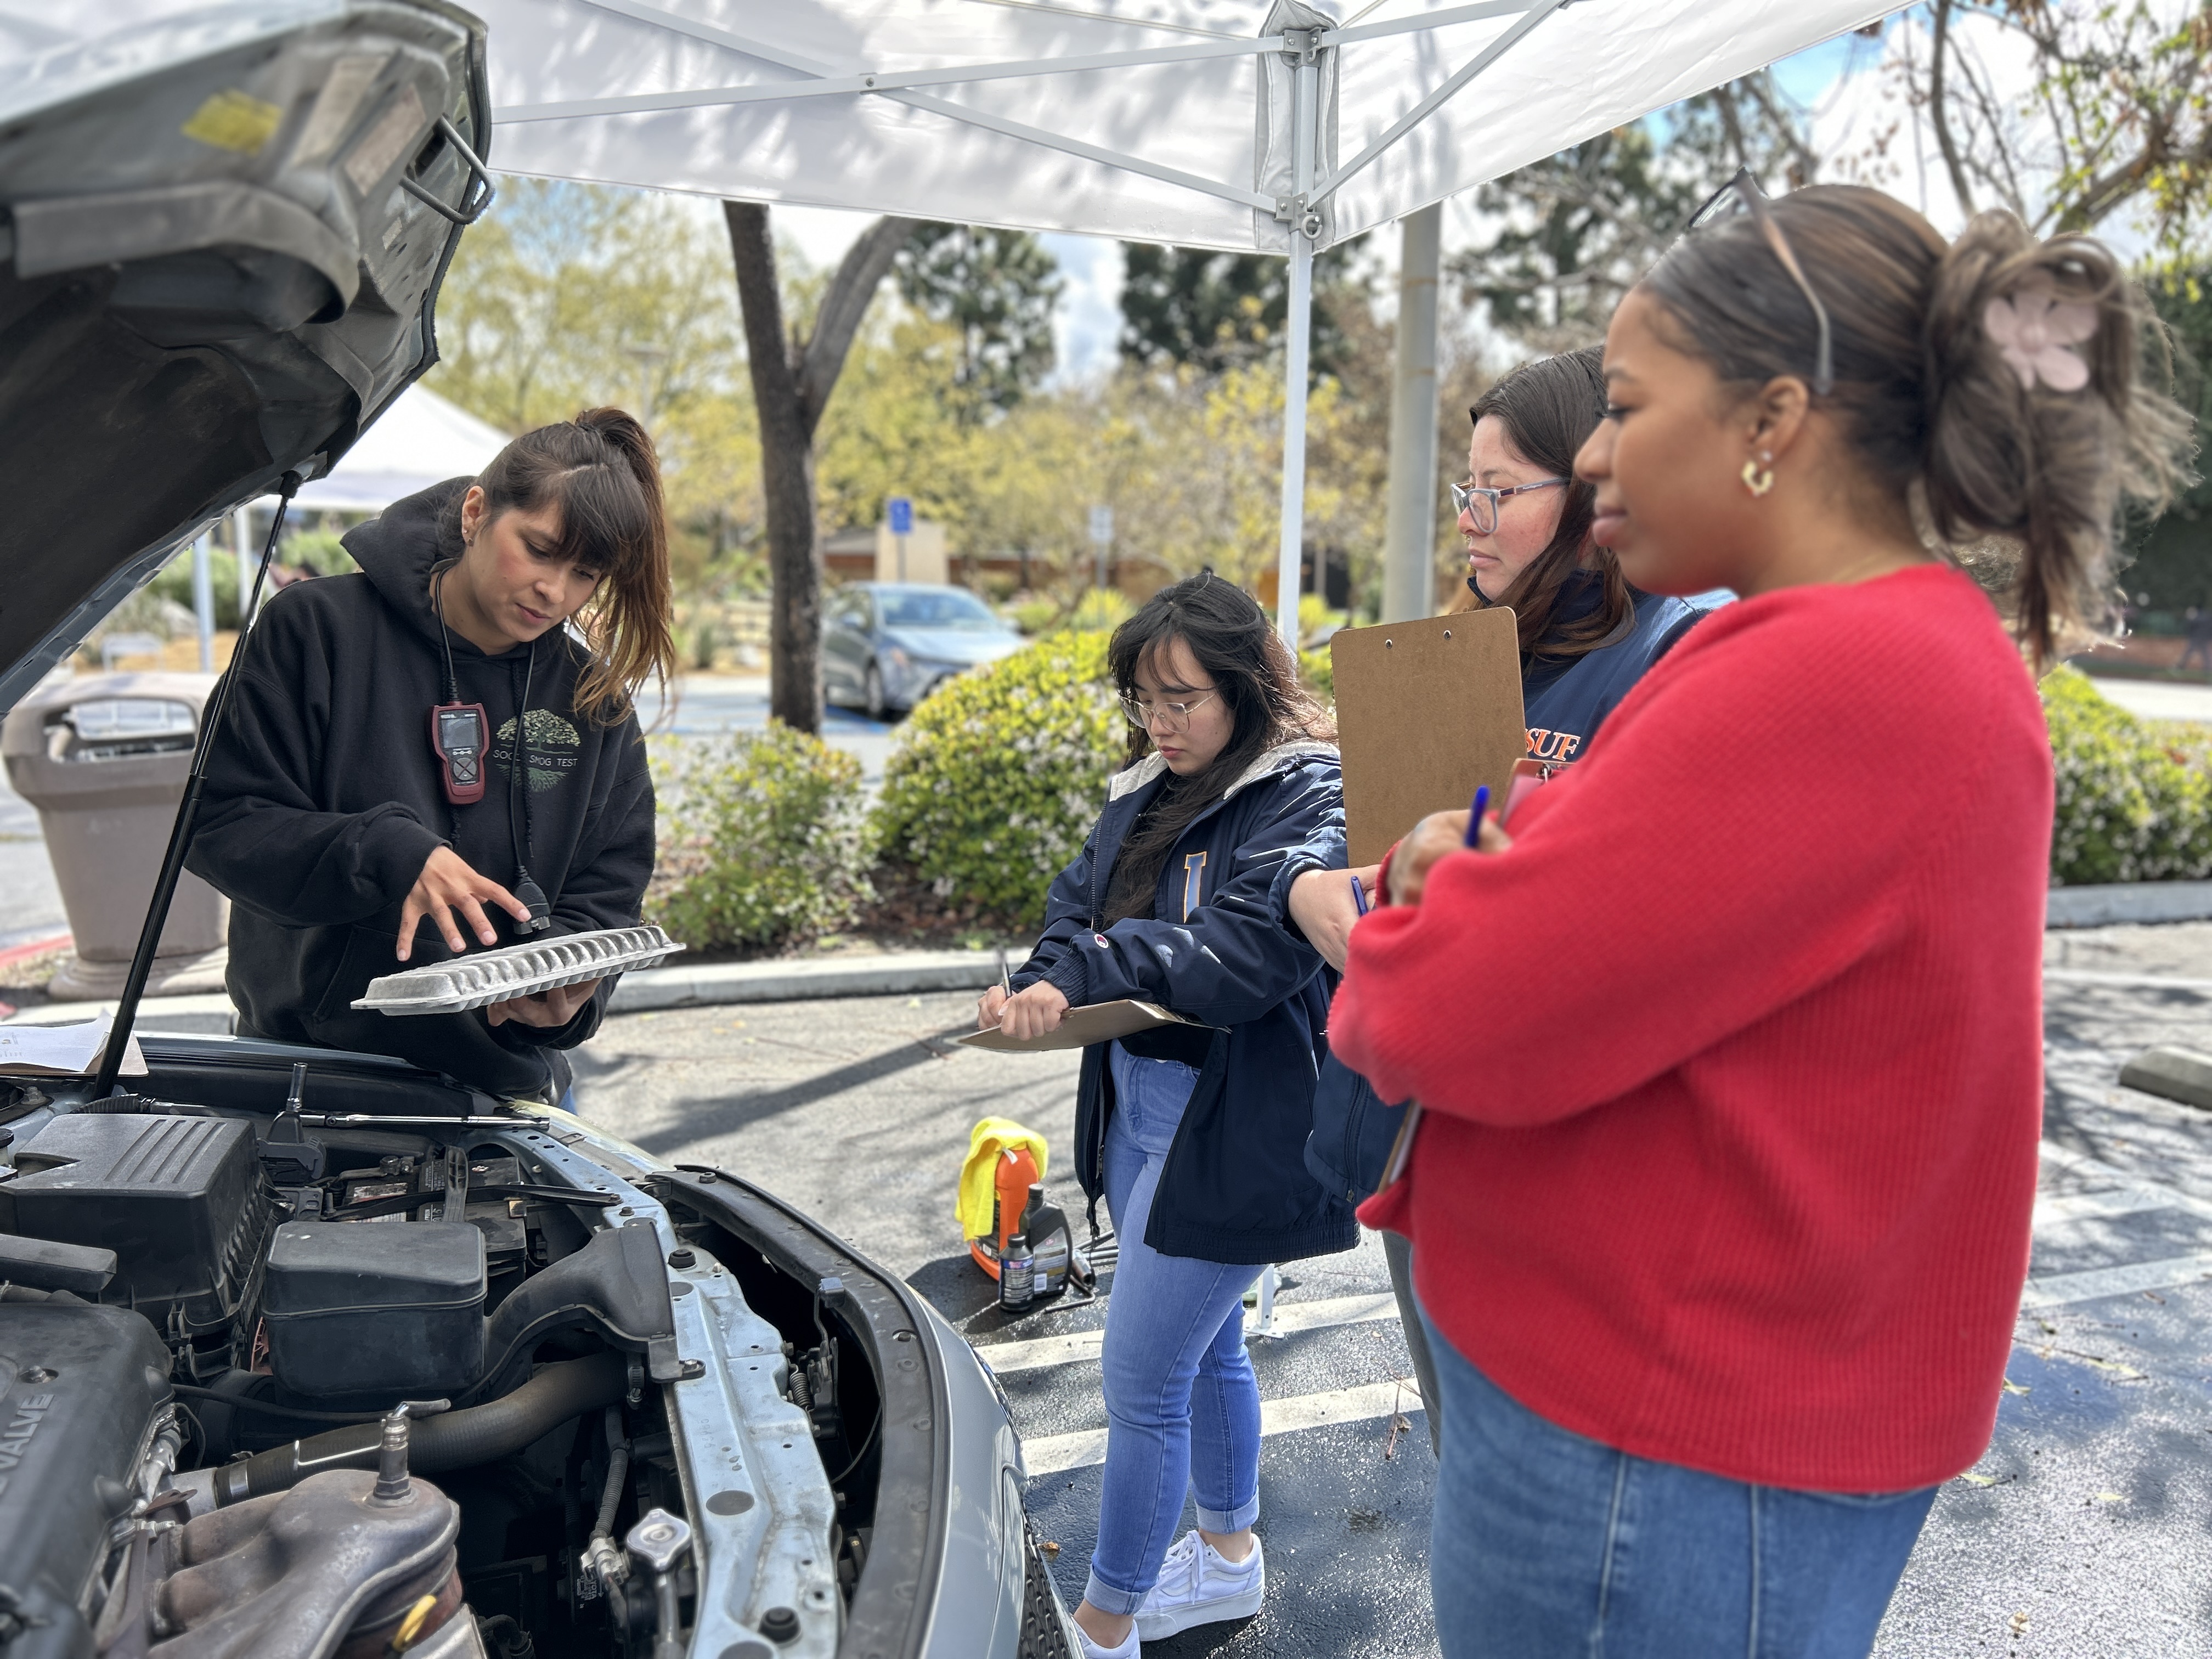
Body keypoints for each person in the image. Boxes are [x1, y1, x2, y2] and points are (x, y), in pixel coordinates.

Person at [1329, 180, 2191, 1655]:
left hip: (1652, 1460)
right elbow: (1613, 875)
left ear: (1770, 421)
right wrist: (1493, 862)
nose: (1594, 452)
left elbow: (1439, 1015)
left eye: (1624, 401)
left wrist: (1425, 900)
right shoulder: (1870, 651)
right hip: (1678, 1436)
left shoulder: (1843, 675)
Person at [1284, 346, 1718, 1454]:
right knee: (1458, 1446)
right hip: (1414, 1126)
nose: (1471, 520)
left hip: (1550, 1175)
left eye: (1500, 492)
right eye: (1464, 492)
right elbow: (1371, 850)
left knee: (1531, 1470)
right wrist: (1312, 894)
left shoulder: (1677, 652)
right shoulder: (1459, 647)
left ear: (1592, 493)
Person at [977, 573, 1351, 1659]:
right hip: (1143, 1104)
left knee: (1141, 1382)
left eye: (1183, 698)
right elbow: (1074, 905)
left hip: (1232, 1126)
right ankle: (1230, 1564)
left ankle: (1105, 1625)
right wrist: (1049, 974)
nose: (1160, 721)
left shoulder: (1309, 794)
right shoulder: (1147, 790)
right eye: (1144, 698)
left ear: (1245, 689)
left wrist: (1092, 961)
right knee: (1208, 1348)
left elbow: (1242, 956)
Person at [189, 409, 676, 1101]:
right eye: (538, 549)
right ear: (476, 511)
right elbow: (219, 824)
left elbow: (606, 892)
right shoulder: (316, 631)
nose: (555, 591)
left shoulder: (594, 702)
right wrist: (387, 855)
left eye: (584, 573)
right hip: (305, 1076)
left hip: (506, 1085)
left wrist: (564, 998)